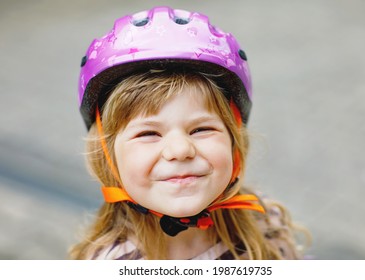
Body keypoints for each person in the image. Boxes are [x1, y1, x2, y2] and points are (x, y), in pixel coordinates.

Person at [70, 6, 309, 260]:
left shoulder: (264, 225)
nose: (180, 150)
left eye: (201, 129)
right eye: (148, 133)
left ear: (234, 140)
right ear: (106, 155)